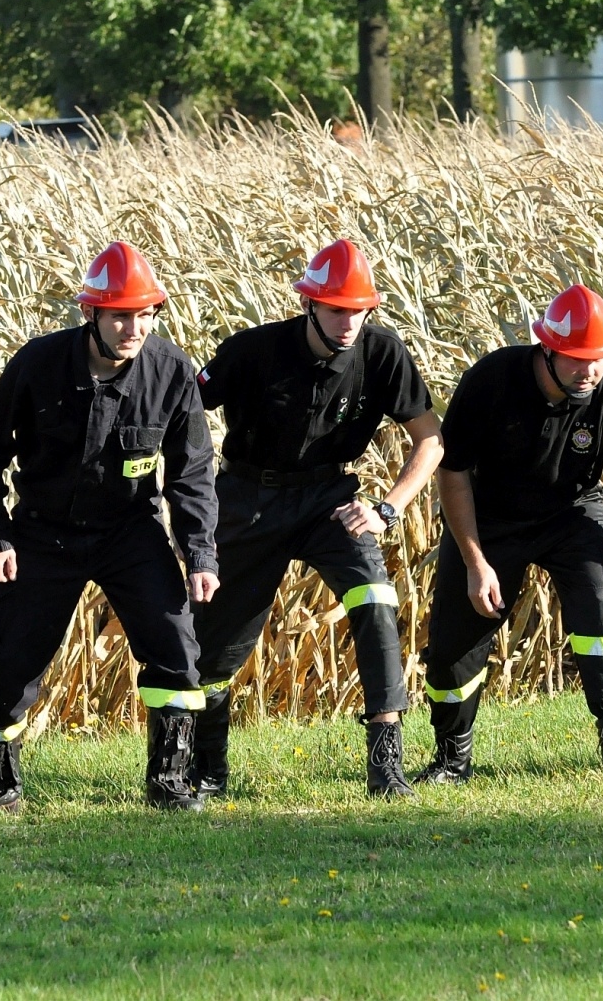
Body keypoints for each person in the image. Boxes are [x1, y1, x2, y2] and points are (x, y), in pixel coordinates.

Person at [0, 240, 219, 814]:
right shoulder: (38, 365)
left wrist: (200, 554)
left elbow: (193, 471)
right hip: (41, 532)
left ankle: (170, 782)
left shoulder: (171, 371)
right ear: (90, 314)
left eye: (145, 314)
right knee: (10, 657)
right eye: (121, 314)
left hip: (130, 530)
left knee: (174, 640)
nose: (133, 327)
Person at [191, 238, 443, 799]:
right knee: (217, 645)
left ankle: (387, 765)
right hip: (248, 497)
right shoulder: (252, 351)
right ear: (309, 304)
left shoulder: (383, 354)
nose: (349, 322)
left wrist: (387, 508)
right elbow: (179, 411)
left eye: (359, 310)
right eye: (336, 309)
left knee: (376, 602)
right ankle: (208, 771)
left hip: (331, 499)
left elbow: (430, 440)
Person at [416, 284, 603, 786]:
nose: (590, 371)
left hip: (570, 517)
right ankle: (452, 759)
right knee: (454, 643)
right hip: (490, 517)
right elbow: (452, 474)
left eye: (600, 358)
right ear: (548, 349)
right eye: (578, 359)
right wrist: (474, 562)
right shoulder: (492, 381)